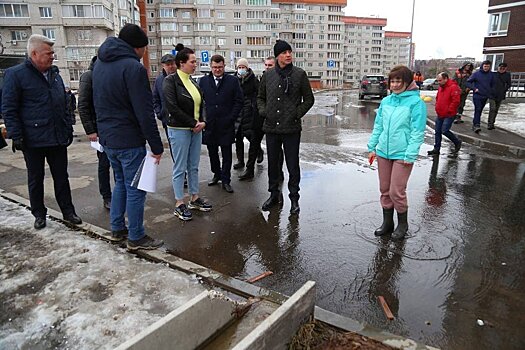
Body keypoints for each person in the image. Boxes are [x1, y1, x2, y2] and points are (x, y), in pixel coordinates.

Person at [92, 23, 164, 250]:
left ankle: (117, 229)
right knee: (136, 189)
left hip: (109, 139)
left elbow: (96, 103)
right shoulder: (133, 68)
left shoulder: (100, 65)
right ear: (137, 47)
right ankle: (136, 236)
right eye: (144, 48)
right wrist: (156, 145)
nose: (144, 53)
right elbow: (144, 111)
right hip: (129, 139)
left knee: (121, 183)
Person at [2, 34, 82, 229]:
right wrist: (16, 135)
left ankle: (68, 211)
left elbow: (64, 103)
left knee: (62, 177)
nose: (53, 56)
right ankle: (39, 214)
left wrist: (68, 126)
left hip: (57, 137)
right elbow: (8, 108)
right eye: (49, 53)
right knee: (35, 178)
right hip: (32, 139)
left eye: (53, 52)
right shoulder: (16, 75)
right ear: (34, 53)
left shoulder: (55, 74)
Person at [367, 65, 427, 240]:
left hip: (402, 154)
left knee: (396, 191)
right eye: (392, 81)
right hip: (383, 152)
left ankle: (403, 224)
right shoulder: (386, 101)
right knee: (385, 190)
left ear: (407, 82)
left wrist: (411, 154)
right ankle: (388, 223)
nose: (394, 85)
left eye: (398, 81)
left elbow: (417, 131)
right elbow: (378, 126)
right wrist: (372, 147)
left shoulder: (416, 103)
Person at [257, 40, 315, 214]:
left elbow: (309, 99)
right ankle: (274, 195)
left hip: (291, 129)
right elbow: (260, 98)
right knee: (273, 164)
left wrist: (296, 114)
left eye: (289, 51)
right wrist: (264, 111)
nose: (288, 55)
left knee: (292, 164)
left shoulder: (299, 74)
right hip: (271, 128)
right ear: (277, 56)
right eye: (284, 52)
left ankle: (294, 198)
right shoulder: (268, 76)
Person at [163, 47, 212, 221]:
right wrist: (193, 123)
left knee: (193, 165)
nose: (195, 64)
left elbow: (202, 104)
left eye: (195, 61)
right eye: (192, 61)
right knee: (180, 167)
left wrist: (203, 122)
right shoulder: (171, 81)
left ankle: (194, 198)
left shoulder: (192, 81)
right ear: (181, 63)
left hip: (196, 130)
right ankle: (179, 203)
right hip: (179, 130)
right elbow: (172, 107)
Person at [199, 54, 244, 194]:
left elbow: (239, 101)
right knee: (212, 152)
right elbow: (200, 103)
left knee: (227, 154)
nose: (217, 70)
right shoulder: (203, 81)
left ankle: (226, 179)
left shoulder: (232, 81)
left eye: (219, 67)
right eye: (214, 67)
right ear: (210, 67)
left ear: (224, 66)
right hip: (210, 124)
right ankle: (216, 174)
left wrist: (231, 118)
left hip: (226, 124)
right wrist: (203, 120)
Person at [78, 55, 112, 210]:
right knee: (104, 164)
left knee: (117, 165)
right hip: (99, 130)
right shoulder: (89, 76)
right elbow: (83, 105)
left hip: (112, 128)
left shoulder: (107, 75)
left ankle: (119, 195)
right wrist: (90, 130)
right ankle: (107, 196)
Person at [234, 58, 262, 180]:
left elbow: (258, 96)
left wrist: (254, 108)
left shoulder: (253, 80)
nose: (241, 69)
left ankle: (258, 152)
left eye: (243, 67)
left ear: (247, 68)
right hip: (237, 114)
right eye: (239, 67)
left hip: (250, 113)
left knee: (251, 138)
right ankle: (240, 161)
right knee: (238, 138)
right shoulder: (234, 80)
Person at [427, 72, 462, 156]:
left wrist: (450, 110)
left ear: (446, 79)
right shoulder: (441, 87)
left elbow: (456, 101)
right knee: (437, 131)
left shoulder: (453, 87)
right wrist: (437, 107)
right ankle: (436, 148)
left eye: (440, 80)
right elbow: (438, 98)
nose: (438, 82)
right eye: (438, 81)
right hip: (440, 112)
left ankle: (457, 142)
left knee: (445, 130)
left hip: (449, 114)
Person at [153, 53, 177, 160]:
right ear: (163, 66)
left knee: (183, 146)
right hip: (167, 120)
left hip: (182, 120)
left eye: (172, 64)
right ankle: (179, 169)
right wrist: (160, 113)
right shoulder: (159, 80)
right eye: (168, 64)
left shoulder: (180, 77)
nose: (171, 66)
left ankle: (185, 169)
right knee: (173, 145)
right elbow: (155, 99)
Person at [467, 60, 494, 133]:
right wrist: (474, 88)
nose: (486, 68)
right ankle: (476, 125)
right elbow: (468, 82)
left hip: (485, 95)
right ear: (482, 66)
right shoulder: (476, 74)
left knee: (479, 110)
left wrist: (490, 91)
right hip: (477, 95)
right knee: (478, 109)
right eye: (485, 66)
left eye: (488, 66)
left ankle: (475, 123)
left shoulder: (491, 75)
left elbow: (493, 84)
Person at [488, 62, 511, 130]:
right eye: (500, 68)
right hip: (492, 94)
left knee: (496, 109)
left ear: (505, 68)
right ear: (498, 68)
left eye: (503, 68)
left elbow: (509, 84)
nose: (501, 69)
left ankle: (492, 123)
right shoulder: (493, 74)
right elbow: (489, 83)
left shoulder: (507, 75)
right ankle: (490, 123)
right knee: (492, 109)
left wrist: (504, 89)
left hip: (500, 95)